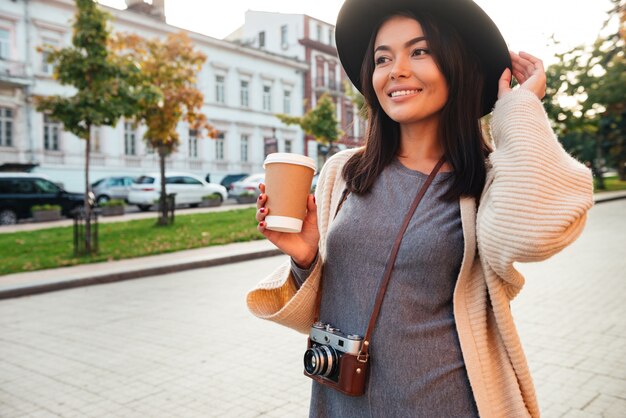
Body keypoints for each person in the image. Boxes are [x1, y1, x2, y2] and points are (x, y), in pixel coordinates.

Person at [247, 0, 594, 416]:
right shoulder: (344, 172)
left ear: (456, 64)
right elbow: (338, 302)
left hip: (445, 402)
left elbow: (538, 233)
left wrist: (519, 108)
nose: (396, 69)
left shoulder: (484, 181)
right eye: (382, 57)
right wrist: (305, 258)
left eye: (420, 51)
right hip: (340, 399)